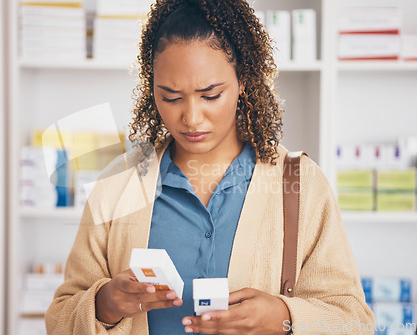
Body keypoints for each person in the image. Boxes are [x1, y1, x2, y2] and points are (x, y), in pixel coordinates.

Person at [45, 0, 375, 334]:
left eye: (210, 95)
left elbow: (355, 321)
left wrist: (284, 316)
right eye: (171, 97)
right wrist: (106, 304)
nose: (191, 118)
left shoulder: (300, 184)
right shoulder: (117, 185)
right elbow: (60, 318)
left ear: (243, 79)